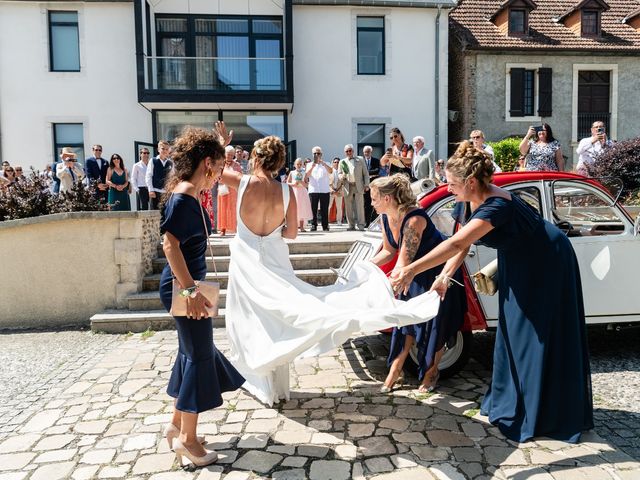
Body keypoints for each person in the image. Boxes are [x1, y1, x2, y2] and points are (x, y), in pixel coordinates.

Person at [214, 124, 440, 407]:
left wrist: (223, 144)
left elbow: (216, 171)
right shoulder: (286, 191)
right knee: (280, 317)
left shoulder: (244, 182)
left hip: (246, 259)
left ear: (256, 158)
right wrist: (271, 234)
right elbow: (292, 234)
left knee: (247, 317)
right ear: (279, 162)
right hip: (274, 258)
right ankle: (273, 381)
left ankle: (256, 375)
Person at [391, 141, 593, 443]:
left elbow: (456, 243)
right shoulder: (468, 199)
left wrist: (411, 269)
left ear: (471, 182)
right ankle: (512, 401)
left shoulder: (497, 204)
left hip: (547, 263)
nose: (448, 189)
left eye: (452, 183)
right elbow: (463, 243)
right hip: (518, 263)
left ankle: (544, 413)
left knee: (537, 336)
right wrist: (445, 275)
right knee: (513, 333)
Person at [158, 127, 244, 468]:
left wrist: (220, 146)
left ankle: (176, 425)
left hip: (186, 285)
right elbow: (169, 245)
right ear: (206, 164)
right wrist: (191, 290)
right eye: (218, 167)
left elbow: (209, 162)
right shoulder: (183, 197)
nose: (220, 175)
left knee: (191, 354)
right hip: (184, 288)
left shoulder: (189, 189)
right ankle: (188, 442)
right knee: (198, 358)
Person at [370, 175, 465, 393]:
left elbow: (404, 262)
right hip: (411, 272)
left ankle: (431, 373)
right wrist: (365, 267)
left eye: (374, 198)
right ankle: (395, 370)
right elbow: (389, 251)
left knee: (434, 324)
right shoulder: (386, 218)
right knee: (404, 322)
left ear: (387, 198)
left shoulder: (414, 220)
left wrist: (385, 283)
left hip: (436, 271)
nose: (372, 203)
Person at [339, 144, 369, 231]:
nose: (349, 152)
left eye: (350, 150)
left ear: (353, 151)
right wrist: (341, 176)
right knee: (348, 207)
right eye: (347, 151)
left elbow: (366, 174)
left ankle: (361, 225)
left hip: (358, 185)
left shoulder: (360, 159)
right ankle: (351, 225)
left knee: (360, 206)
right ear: (345, 152)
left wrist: (366, 184)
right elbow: (339, 173)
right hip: (347, 185)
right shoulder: (342, 162)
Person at [217, 146, 242, 236]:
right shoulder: (221, 164)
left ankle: (235, 228)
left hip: (233, 189)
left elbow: (240, 176)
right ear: (225, 154)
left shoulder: (237, 165)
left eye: (232, 155)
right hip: (223, 188)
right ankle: (223, 228)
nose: (230, 156)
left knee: (233, 208)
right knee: (223, 208)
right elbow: (215, 174)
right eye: (228, 154)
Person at [307, 146, 332, 231]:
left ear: (321, 154)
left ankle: (325, 226)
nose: (317, 155)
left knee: (324, 209)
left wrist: (323, 163)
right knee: (313, 209)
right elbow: (306, 175)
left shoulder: (326, 163)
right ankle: (314, 225)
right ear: (312, 154)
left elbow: (331, 171)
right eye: (315, 153)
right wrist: (313, 166)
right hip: (313, 190)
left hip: (324, 190)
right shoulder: (309, 164)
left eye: (318, 153)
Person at [287, 157, 313, 232]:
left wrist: (302, 183)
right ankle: (294, 226)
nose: (299, 165)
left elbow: (307, 185)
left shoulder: (304, 172)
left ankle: (301, 227)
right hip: (294, 191)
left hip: (302, 192)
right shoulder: (292, 172)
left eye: (300, 164)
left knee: (302, 209)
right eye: (297, 164)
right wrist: (293, 184)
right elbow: (287, 182)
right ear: (295, 165)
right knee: (294, 209)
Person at [146, 140, 173, 210]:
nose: (165, 151)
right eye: (163, 148)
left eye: (167, 149)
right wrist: (150, 190)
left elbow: (172, 178)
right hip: (155, 192)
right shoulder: (153, 160)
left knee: (166, 214)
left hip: (166, 193)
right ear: (158, 149)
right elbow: (148, 176)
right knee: (153, 215)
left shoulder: (170, 163)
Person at [362, 145, 380, 226]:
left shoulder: (376, 160)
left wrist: (366, 173)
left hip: (374, 186)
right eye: (365, 152)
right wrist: (369, 174)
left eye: (368, 152)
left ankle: (374, 221)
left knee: (374, 203)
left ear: (371, 152)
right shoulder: (361, 161)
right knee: (366, 205)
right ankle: (367, 222)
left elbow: (377, 170)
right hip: (365, 186)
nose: (366, 153)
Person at [329, 157, 345, 225]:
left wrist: (338, 190)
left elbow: (343, 183)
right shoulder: (329, 171)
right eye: (335, 162)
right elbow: (327, 182)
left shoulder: (342, 172)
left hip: (339, 192)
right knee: (328, 207)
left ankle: (339, 220)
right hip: (331, 192)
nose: (336, 163)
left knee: (339, 207)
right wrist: (332, 190)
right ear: (332, 163)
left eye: (338, 162)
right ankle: (326, 220)